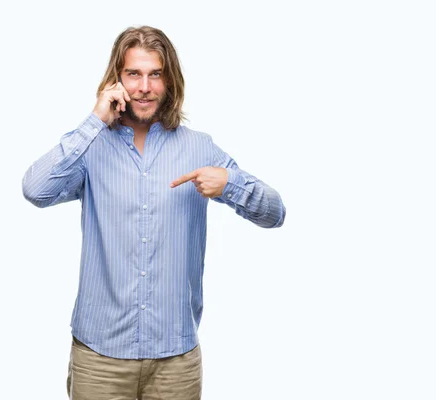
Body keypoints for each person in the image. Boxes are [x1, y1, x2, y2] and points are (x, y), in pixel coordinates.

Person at [22, 25, 285, 400]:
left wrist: (230, 183)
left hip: (175, 362)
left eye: (155, 74)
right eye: (134, 74)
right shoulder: (91, 148)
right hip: (100, 358)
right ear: (117, 80)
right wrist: (95, 119)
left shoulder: (200, 148)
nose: (144, 86)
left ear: (170, 80)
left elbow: (275, 213)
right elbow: (35, 189)